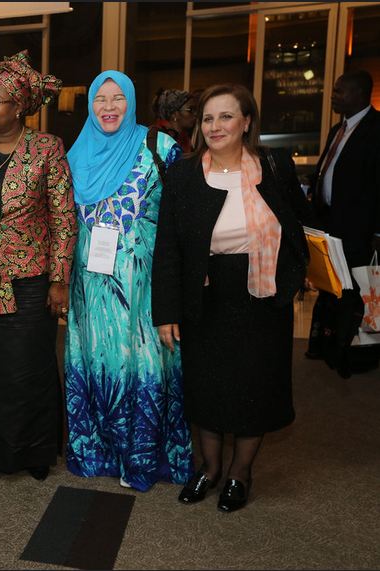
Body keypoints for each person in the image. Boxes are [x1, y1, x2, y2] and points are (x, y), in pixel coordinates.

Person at [152, 84, 312, 512]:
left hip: (262, 297)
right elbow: (168, 247)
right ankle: (209, 468)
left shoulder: (273, 165)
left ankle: (240, 473)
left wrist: (295, 275)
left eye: (226, 117)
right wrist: (166, 312)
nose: (215, 126)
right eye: (207, 118)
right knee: (206, 387)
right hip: (204, 295)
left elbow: (300, 223)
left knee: (253, 388)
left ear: (246, 122)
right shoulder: (184, 174)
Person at [64, 71, 193, 492]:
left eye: (118, 98)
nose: (109, 106)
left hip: (143, 285)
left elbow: (184, 219)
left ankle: (143, 455)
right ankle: (98, 450)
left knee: (141, 359)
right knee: (94, 356)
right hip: (90, 283)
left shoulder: (160, 147)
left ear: (132, 102)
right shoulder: (76, 153)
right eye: (101, 98)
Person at [0, 50, 76, 482]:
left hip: (30, 280)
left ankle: (35, 451)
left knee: (30, 367)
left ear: (20, 105)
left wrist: (59, 280)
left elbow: (64, 217)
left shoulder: (47, 148)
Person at [306, 70, 380, 378]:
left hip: (361, 229)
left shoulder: (377, 128)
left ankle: (358, 356)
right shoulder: (339, 128)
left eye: (340, 91)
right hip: (332, 223)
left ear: (360, 93)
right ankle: (331, 346)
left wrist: (377, 231)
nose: (334, 95)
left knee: (361, 291)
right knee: (333, 288)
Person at [151, 88, 196, 153]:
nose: (195, 114)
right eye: (191, 110)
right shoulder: (157, 139)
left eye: (195, 109)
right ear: (174, 115)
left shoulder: (184, 137)